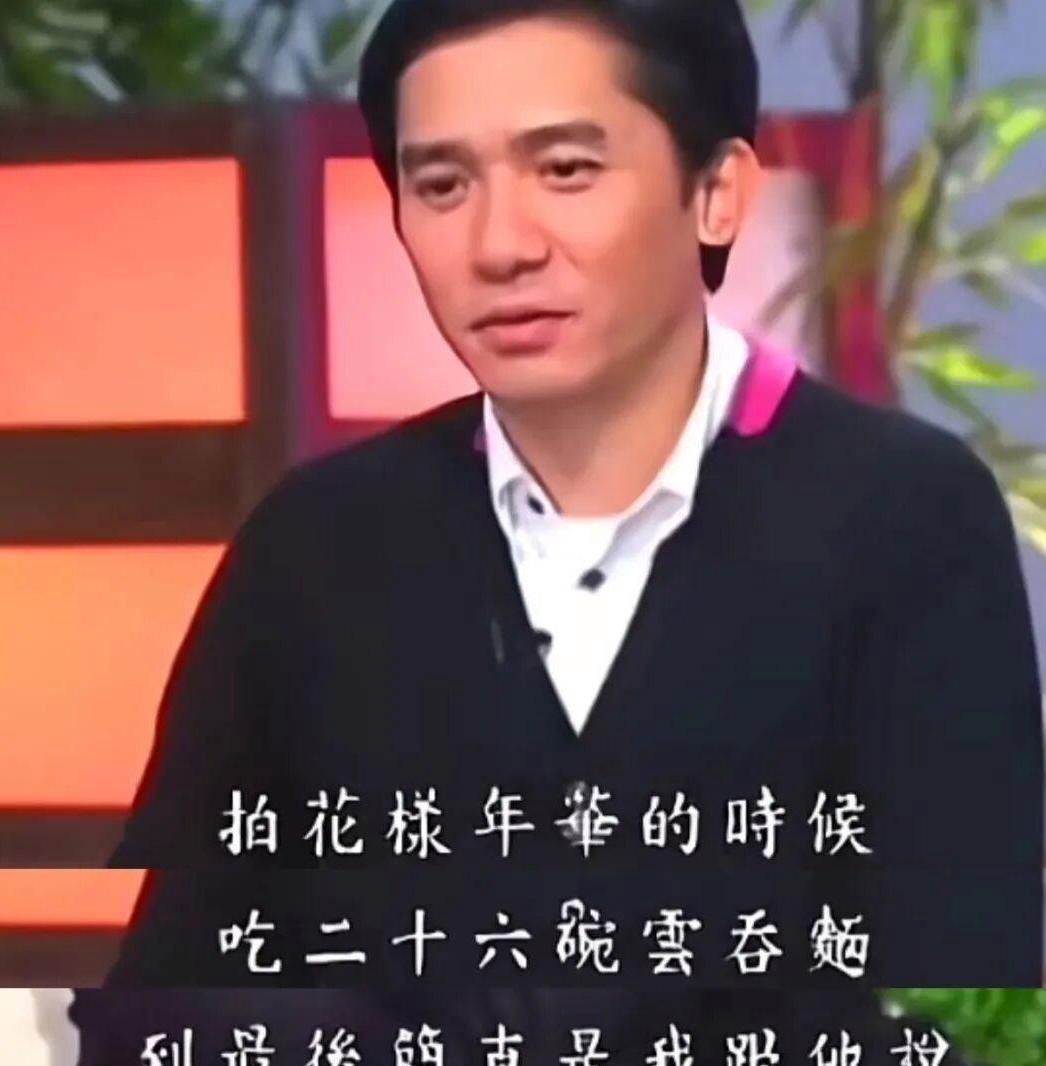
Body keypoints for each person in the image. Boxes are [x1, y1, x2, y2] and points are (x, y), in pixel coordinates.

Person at [89, 0, 1041, 999]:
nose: (500, 245)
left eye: (567, 170)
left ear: (717, 193)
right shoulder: (317, 549)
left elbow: (961, 1008)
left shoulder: (902, 519)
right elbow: (192, 1010)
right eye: (443, 185)